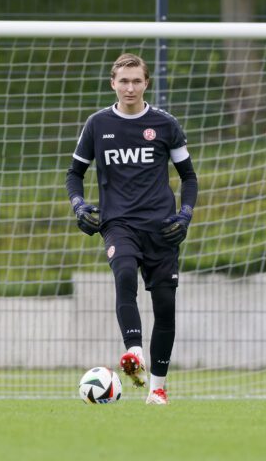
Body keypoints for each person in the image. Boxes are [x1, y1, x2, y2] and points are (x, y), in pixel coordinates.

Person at [66, 53, 198, 405]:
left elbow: (189, 178)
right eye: (123, 81)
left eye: (136, 81)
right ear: (113, 83)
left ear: (146, 83)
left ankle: (157, 387)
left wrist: (184, 215)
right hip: (118, 223)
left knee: (165, 305)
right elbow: (74, 174)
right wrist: (79, 206)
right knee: (124, 273)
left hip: (161, 227)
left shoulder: (165, 124)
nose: (129, 87)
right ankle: (134, 354)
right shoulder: (97, 124)